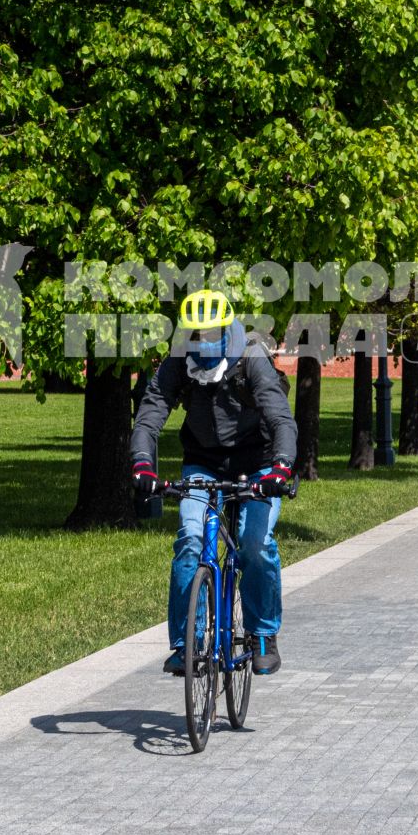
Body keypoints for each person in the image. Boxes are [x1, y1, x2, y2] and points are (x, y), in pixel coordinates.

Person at [131, 290, 297, 677]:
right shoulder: (178, 361)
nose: (202, 341)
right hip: (203, 462)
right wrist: (142, 464)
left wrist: (281, 468)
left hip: (258, 465)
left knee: (255, 544)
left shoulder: (251, 359)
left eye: (209, 333)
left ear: (225, 329)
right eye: (194, 334)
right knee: (190, 539)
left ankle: (261, 634)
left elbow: (281, 419)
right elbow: (151, 412)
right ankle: (187, 643)